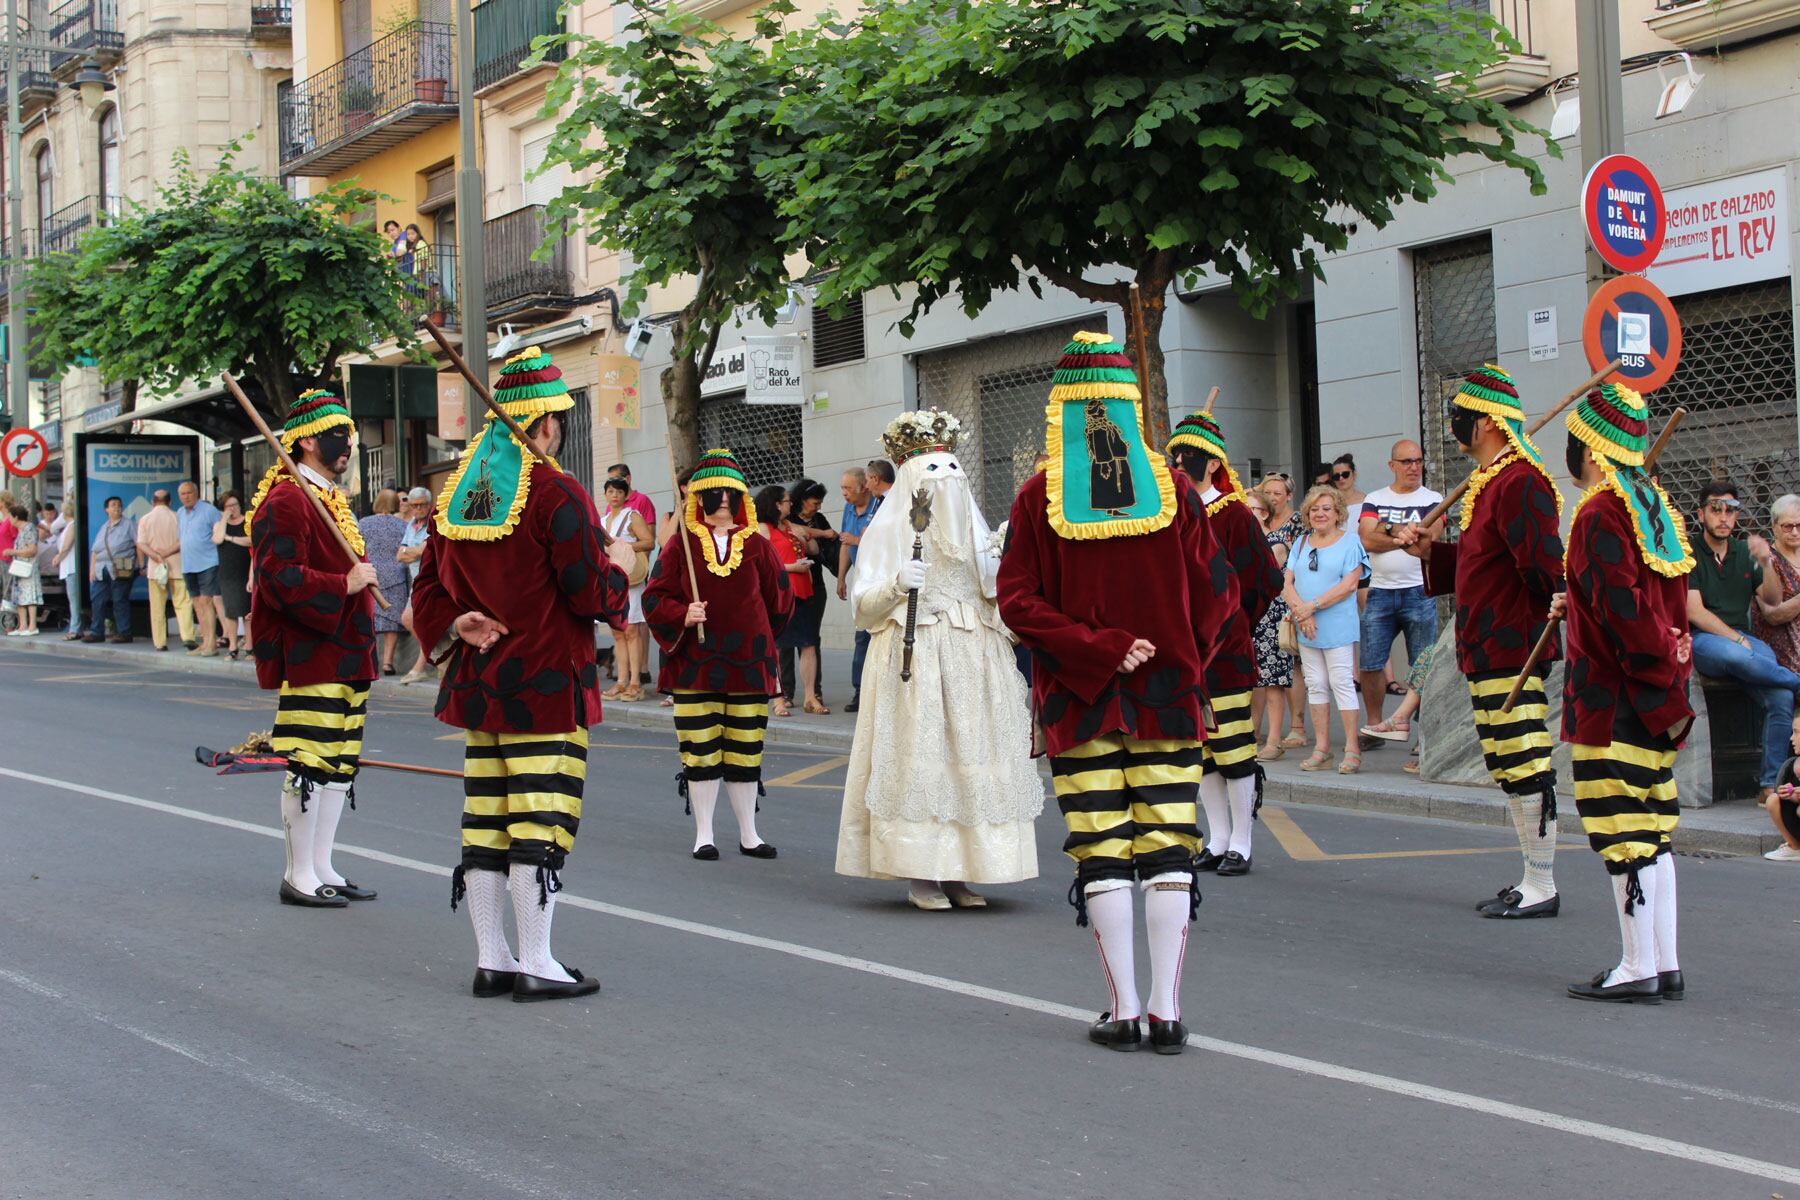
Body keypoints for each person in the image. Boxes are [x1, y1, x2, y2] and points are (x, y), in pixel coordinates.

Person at [997, 331, 1233, 1055]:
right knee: (1168, 848)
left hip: (1080, 698)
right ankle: (1166, 1011)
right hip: (1167, 699)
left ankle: (1124, 1009)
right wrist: (1179, 658)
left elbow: (1016, 602)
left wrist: (1095, 649)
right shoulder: (1176, 492)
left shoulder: (1038, 497)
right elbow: (1219, 597)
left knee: (1102, 850)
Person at [412, 348, 634, 1000]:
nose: (559, 431)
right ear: (542, 424)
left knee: (486, 820)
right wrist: (618, 565)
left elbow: (428, 593)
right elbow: (587, 591)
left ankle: (493, 958)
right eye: (558, 420)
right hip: (544, 683)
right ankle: (536, 960)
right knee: (539, 819)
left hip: (480, 686)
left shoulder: (456, 497)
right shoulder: (557, 492)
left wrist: (457, 625)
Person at [836, 410, 1043, 909]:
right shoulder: (888, 533)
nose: (947, 486)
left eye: (955, 475)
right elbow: (863, 607)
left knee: (969, 761)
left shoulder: (977, 535)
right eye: (935, 476)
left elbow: (997, 593)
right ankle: (921, 873)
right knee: (921, 759)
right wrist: (894, 584)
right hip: (916, 659)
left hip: (973, 660)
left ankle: (963, 870)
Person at [1401, 365, 1566, 919]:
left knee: (1525, 760)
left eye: (1460, 417)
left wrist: (1556, 612)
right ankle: (1531, 875)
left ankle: (1543, 882)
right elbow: (1482, 564)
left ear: (1487, 423)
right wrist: (1432, 554)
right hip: (1485, 645)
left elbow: (1543, 566)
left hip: (1514, 644)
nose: (1454, 426)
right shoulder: (1490, 481)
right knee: (1505, 763)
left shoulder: (1520, 481)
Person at [1558, 383, 1693, 1004]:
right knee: (1654, 829)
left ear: (1586, 444)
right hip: (1658, 694)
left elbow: (1622, 612)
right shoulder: (1655, 506)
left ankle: (1638, 966)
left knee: (1623, 831)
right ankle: (1663, 962)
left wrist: (1647, 675)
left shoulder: (1600, 512)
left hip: (1615, 698)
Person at [243, 388, 380, 909]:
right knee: (310, 761)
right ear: (303, 443)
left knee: (339, 765)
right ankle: (299, 873)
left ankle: (323, 865)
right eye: (334, 436)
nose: (346, 444)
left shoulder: (327, 497)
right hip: (311, 650)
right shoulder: (286, 499)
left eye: (347, 435)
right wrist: (342, 585)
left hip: (347, 649)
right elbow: (277, 578)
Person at [644, 448, 794, 862]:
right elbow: (655, 599)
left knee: (747, 750)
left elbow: (780, 602)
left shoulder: (759, 547)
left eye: (730, 493)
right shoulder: (680, 547)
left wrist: (757, 634)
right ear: (700, 499)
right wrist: (682, 613)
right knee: (700, 748)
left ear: (741, 497)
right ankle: (704, 834)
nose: (723, 501)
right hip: (696, 665)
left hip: (749, 663)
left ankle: (749, 833)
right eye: (715, 494)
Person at [1167, 410, 1283, 876]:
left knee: (1234, 748)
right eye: (1175, 454)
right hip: (1187, 649)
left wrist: (1232, 622)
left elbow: (1263, 580)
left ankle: (1242, 841)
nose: (1180, 461)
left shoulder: (1233, 514)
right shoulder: (1172, 511)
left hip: (1226, 651)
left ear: (1214, 463)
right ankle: (1216, 837)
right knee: (1203, 751)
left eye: (1189, 456)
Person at [1685, 479, 1800, 804]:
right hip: (1704, 639)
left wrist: (1765, 562)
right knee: (1740, 657)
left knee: (1779, 695)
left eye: (1730, 511)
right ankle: (1798, 681)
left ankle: (1768, 786)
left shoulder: (1743, 552)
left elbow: (1773, 599)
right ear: (1702, 513)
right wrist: (1735, 638)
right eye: (1715, 509)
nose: (1723, 517)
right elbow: (1693, 611)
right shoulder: (1689, 550)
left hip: (1743, 640)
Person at [1356, 440, 1443, 742]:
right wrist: (1400, 533)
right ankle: (1375, 725)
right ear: (1392, 465)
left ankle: (1424, 739)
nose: (1414, 467)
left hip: (1419, 591)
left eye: (1418, 461)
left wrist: (1386, 529)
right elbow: (1366, 538)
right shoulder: (1375, 498)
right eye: (1406, 462)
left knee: (1423, 665)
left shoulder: (1432, 497)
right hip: (1380, 591)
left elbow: (1428, 540)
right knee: (1369, 663)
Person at [1284, 486, 1371, 773]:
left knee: (1342, 683)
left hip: (1336, 626)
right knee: (1316, 684)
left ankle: (1351, 748)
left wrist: (1312, 607)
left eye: (1326, 509)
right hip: (1306, 626)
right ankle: (1322, 748)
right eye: (1314, 509)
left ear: (1338, 513)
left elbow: (1349, 586)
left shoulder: (1350, 543)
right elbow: (1287, 583)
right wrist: (1301, 611)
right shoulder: (1300, 544)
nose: (1320, 514)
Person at [1245, 487, 1296, 758]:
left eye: (1250, 509)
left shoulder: (1275, 543)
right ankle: (1252, 732)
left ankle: (1274, 741)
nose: (1244, 513)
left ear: (1263, 514)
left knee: (1273, 682)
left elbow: (1262, 577)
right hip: (1249, 617)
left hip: (1271, 618)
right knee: (1253, 681)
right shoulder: (1241, 541)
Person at [754, 484, 812, 718]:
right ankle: (777, 697)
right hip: (779, 591)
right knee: (777, 647)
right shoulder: (762, 529)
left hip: (802, 589)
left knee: (808, 643)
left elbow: (811, 540)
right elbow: (763, 564)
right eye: (787, 501)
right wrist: (792, 567)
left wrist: (805, 538)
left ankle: (810, 696)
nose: (791, 504)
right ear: (777, 504)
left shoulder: (788, 526)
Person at [781, 478, 836, 712]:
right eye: (815, 502)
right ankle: (785, 692)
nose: (818, 507)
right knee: (784, 641)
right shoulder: (786, 522)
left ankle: (814, 691)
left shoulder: (819, 519)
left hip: (814, 584)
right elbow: (806, 534)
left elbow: (828, 547)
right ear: (802, 501)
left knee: (811, 639)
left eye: (820, 503)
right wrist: (821, 534)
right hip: (789, 585)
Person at [600, 476, 653, 701]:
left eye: (619, 491)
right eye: (611, 491)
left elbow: (649, 541)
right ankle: (621, 682)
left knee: (631, 630)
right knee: (617, 632)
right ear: (605, 495)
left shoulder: (632, 515)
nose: (615, 495)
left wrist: (622, 546)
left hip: (631, 579)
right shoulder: (601, 521)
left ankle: (635, 682)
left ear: (625, 494)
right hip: (611, 580)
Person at [836, 466, 884, 713]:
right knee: (861, 635)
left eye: (848, 488)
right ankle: (859, 691)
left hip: (879, 579)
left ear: (864, 486)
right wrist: (841, 577)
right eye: (842, 488)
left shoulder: (878, 507)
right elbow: (845, 543)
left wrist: (856, 541)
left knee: (874, 634)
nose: (844, 493)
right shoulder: (848, 509)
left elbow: (881, 541)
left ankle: (879, 690)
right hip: (860, 578)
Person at [357, 488, 411, 675]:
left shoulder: (364, 523)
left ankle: (371, 660)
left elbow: (357, 548)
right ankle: (387, 662)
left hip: (371, 576)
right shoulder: (403, 525)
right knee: (392, 622)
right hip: (396, 576)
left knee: (370, 619)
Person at [135, 489, 194, 651]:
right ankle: (188, 636)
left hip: (155, 569)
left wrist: (156, 556)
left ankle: (160, 642)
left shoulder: (145, 519)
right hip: (178, 566)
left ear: (153, 502)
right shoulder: (178, 517)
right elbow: (183, 540)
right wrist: (167, 552)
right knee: (183, 603)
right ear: (170, 502)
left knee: (157, 607)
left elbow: (141, 544)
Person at [1753, 494, 1800, 677]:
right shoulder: (1765, 561)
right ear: (1774, 527)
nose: (1795, 532)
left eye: (1799, 525)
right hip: (1787, 655)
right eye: (1788, 526)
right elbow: (1772, 614)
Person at [177, 481, 224, 657]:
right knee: (197, 604)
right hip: (188, 564)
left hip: (208, 562)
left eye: (189, 492)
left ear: (196, 493)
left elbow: (220, 532)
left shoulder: (209, 510)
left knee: (206, 601)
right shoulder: (180, 513)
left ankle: (212, 644)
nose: (186, 496)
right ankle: (205, 642)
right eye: (182, 494)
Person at [84, 495, 137, 643]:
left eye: (119, 505)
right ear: (106, 509)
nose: (117, 507)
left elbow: (139, 544)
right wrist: (91, 570)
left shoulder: (129, 524)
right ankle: (97, 632)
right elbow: (95, 550)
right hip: (101, 569)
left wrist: (140, 564)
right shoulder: (104, 527)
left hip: (120, 568)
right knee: (97, 600)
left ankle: (124, 632)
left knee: (120, 600)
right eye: (113, 505)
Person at [396, 487, 435, 684]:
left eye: (422, 505)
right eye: (414, 505)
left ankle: (419, 667)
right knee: (407, 619)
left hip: (432, 581)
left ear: (429, 504)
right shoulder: (411, 524)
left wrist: (412, 551)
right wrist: (414, 551)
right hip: (416, 581)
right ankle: (433, 653)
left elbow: (425, 551)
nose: (418, 509)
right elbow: (400, 555)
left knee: (416, 620)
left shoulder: (433, 523)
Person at [212, 491, 253, 660]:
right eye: (229, 506)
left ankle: (250, 647)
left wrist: (231, 538)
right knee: (230, 611)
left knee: (247, 612)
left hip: (244, 569)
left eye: (235, 505)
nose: (233, 508)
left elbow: (250, 540)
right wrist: (224, 519)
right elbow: (218, 539)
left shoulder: (247, 521)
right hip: (227, 572)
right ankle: (233, 646)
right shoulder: (219, 524)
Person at [1763, 724, 1800, 861]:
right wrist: (1789, 795)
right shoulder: (1790, 765)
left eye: (1796, 732)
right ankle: (1794, 847)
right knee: (1773, 799)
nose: (1791, 738)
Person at [4, 505, 42, 635]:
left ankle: (32, 626)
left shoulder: (29, 528)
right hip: (19, 568)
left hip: (28, 567)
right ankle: (22, 626)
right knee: (19, 597)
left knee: (30, 596)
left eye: (10, 516)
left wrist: (12, 551)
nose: (9, 519)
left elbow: (32, 550)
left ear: (15, 517)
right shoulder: (21, 530)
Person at [53, 498, 81, 636]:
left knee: (74, 600)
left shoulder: (72, 525)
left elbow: (66, 546)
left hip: (71, 567)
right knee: (72, 599)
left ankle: (75, 628)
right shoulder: (70, 525)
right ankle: (75, 626)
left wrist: (58, 557)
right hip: (68, 567)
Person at [605, 462, 659, 532]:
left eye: (616, 480)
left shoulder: (642, 500)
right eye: (610, 481)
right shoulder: (610, 506)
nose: (612, 484)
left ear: (627, 479)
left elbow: (650, 536)